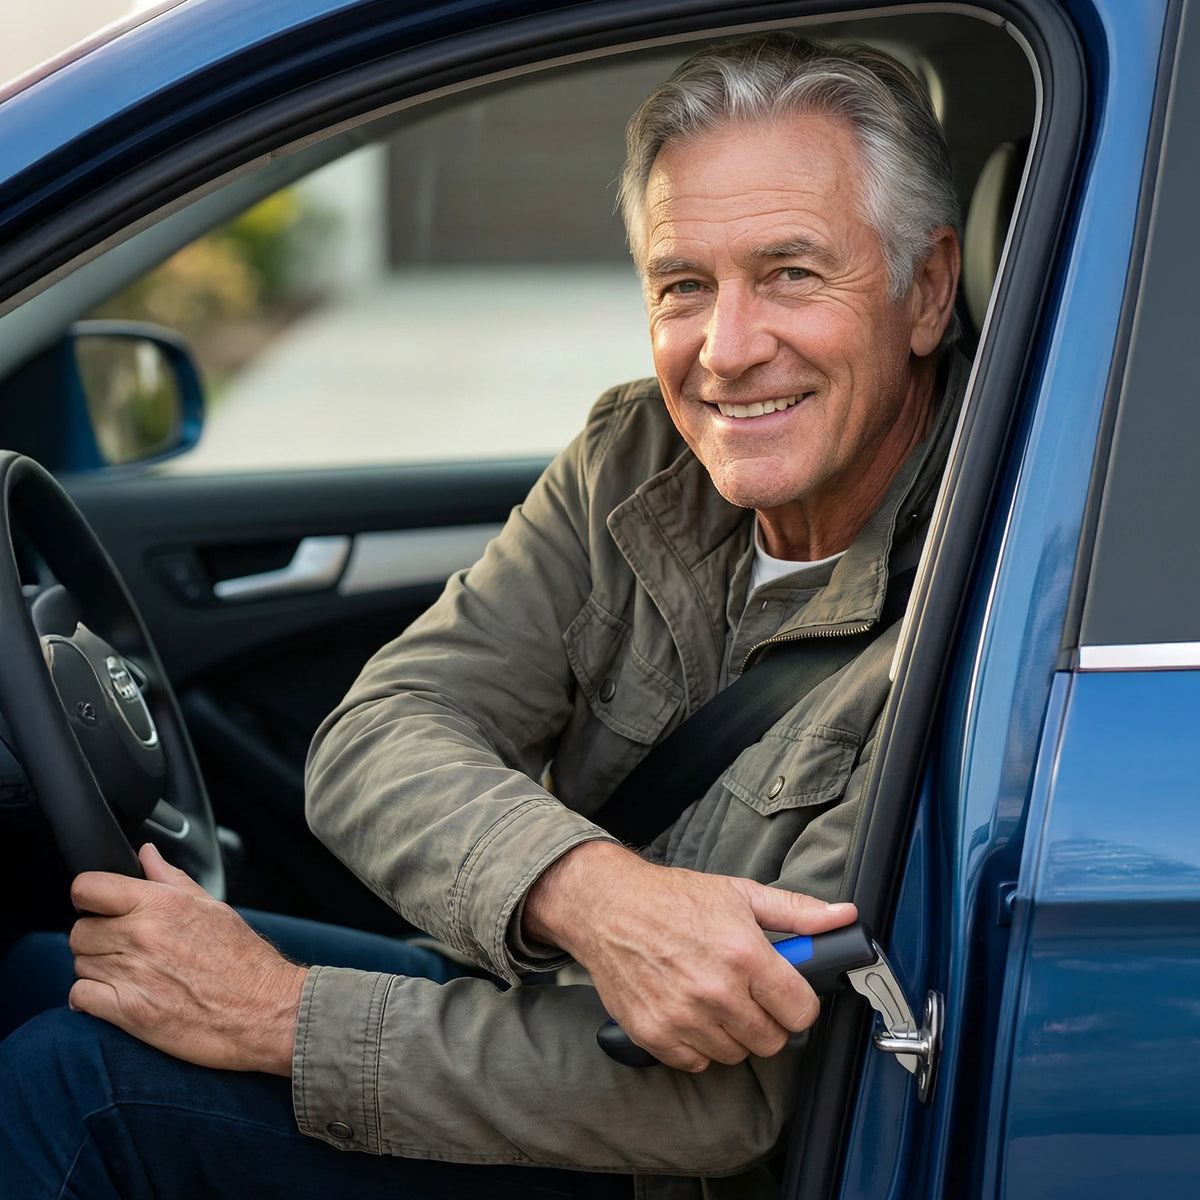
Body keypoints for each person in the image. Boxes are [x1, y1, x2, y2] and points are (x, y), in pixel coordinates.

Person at [0, 31, 963, 1200]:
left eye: (793, 274)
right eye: (684, 286)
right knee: (52, 974)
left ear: (926, 289)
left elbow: (719, 1102)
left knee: (68, 1083)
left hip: (683, 1161)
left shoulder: (985, 584)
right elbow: (375, 736)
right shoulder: (638, 456)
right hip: (564, 1023)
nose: (727, 350)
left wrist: (285, 1020)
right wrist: (593, 893)